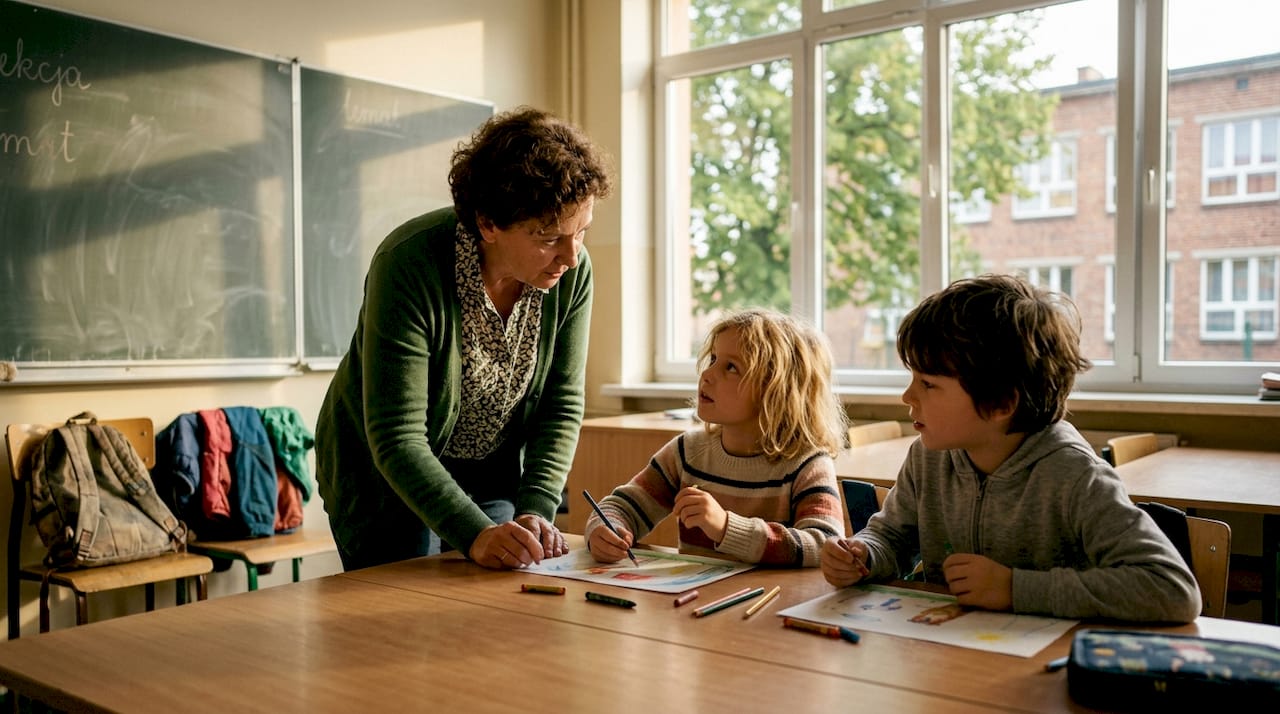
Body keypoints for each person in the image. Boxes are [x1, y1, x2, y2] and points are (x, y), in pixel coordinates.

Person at [315, 106, 612, 572]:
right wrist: (474, 534)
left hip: (487, 474)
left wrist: (534, 508)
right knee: (398, 624)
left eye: (582, 233)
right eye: (548, 236)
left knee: (497, 600)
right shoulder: (409, 263)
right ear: (488, 224)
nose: (570, 257)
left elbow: (561, 402)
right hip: (384, 478)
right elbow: (397, 436)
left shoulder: (571, 273)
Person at [820, 274, 1202, 622]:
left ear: (1003, 403)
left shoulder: (1074, 475)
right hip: (950, 658)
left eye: (929, 384)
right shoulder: (929, 455)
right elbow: (893, 538)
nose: (908, 396)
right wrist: (864, 555)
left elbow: (1172, 590)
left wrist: (1015, 589)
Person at [586, 308, 847, 566]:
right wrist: (604, 529)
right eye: (712, 359)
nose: (707, 375)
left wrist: (726, 527)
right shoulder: (687, 452)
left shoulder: (807, 464)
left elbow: (825, 544)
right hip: (695, 602)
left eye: (731, 367)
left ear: (776, 391)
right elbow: (622, 507)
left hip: (770, 604)